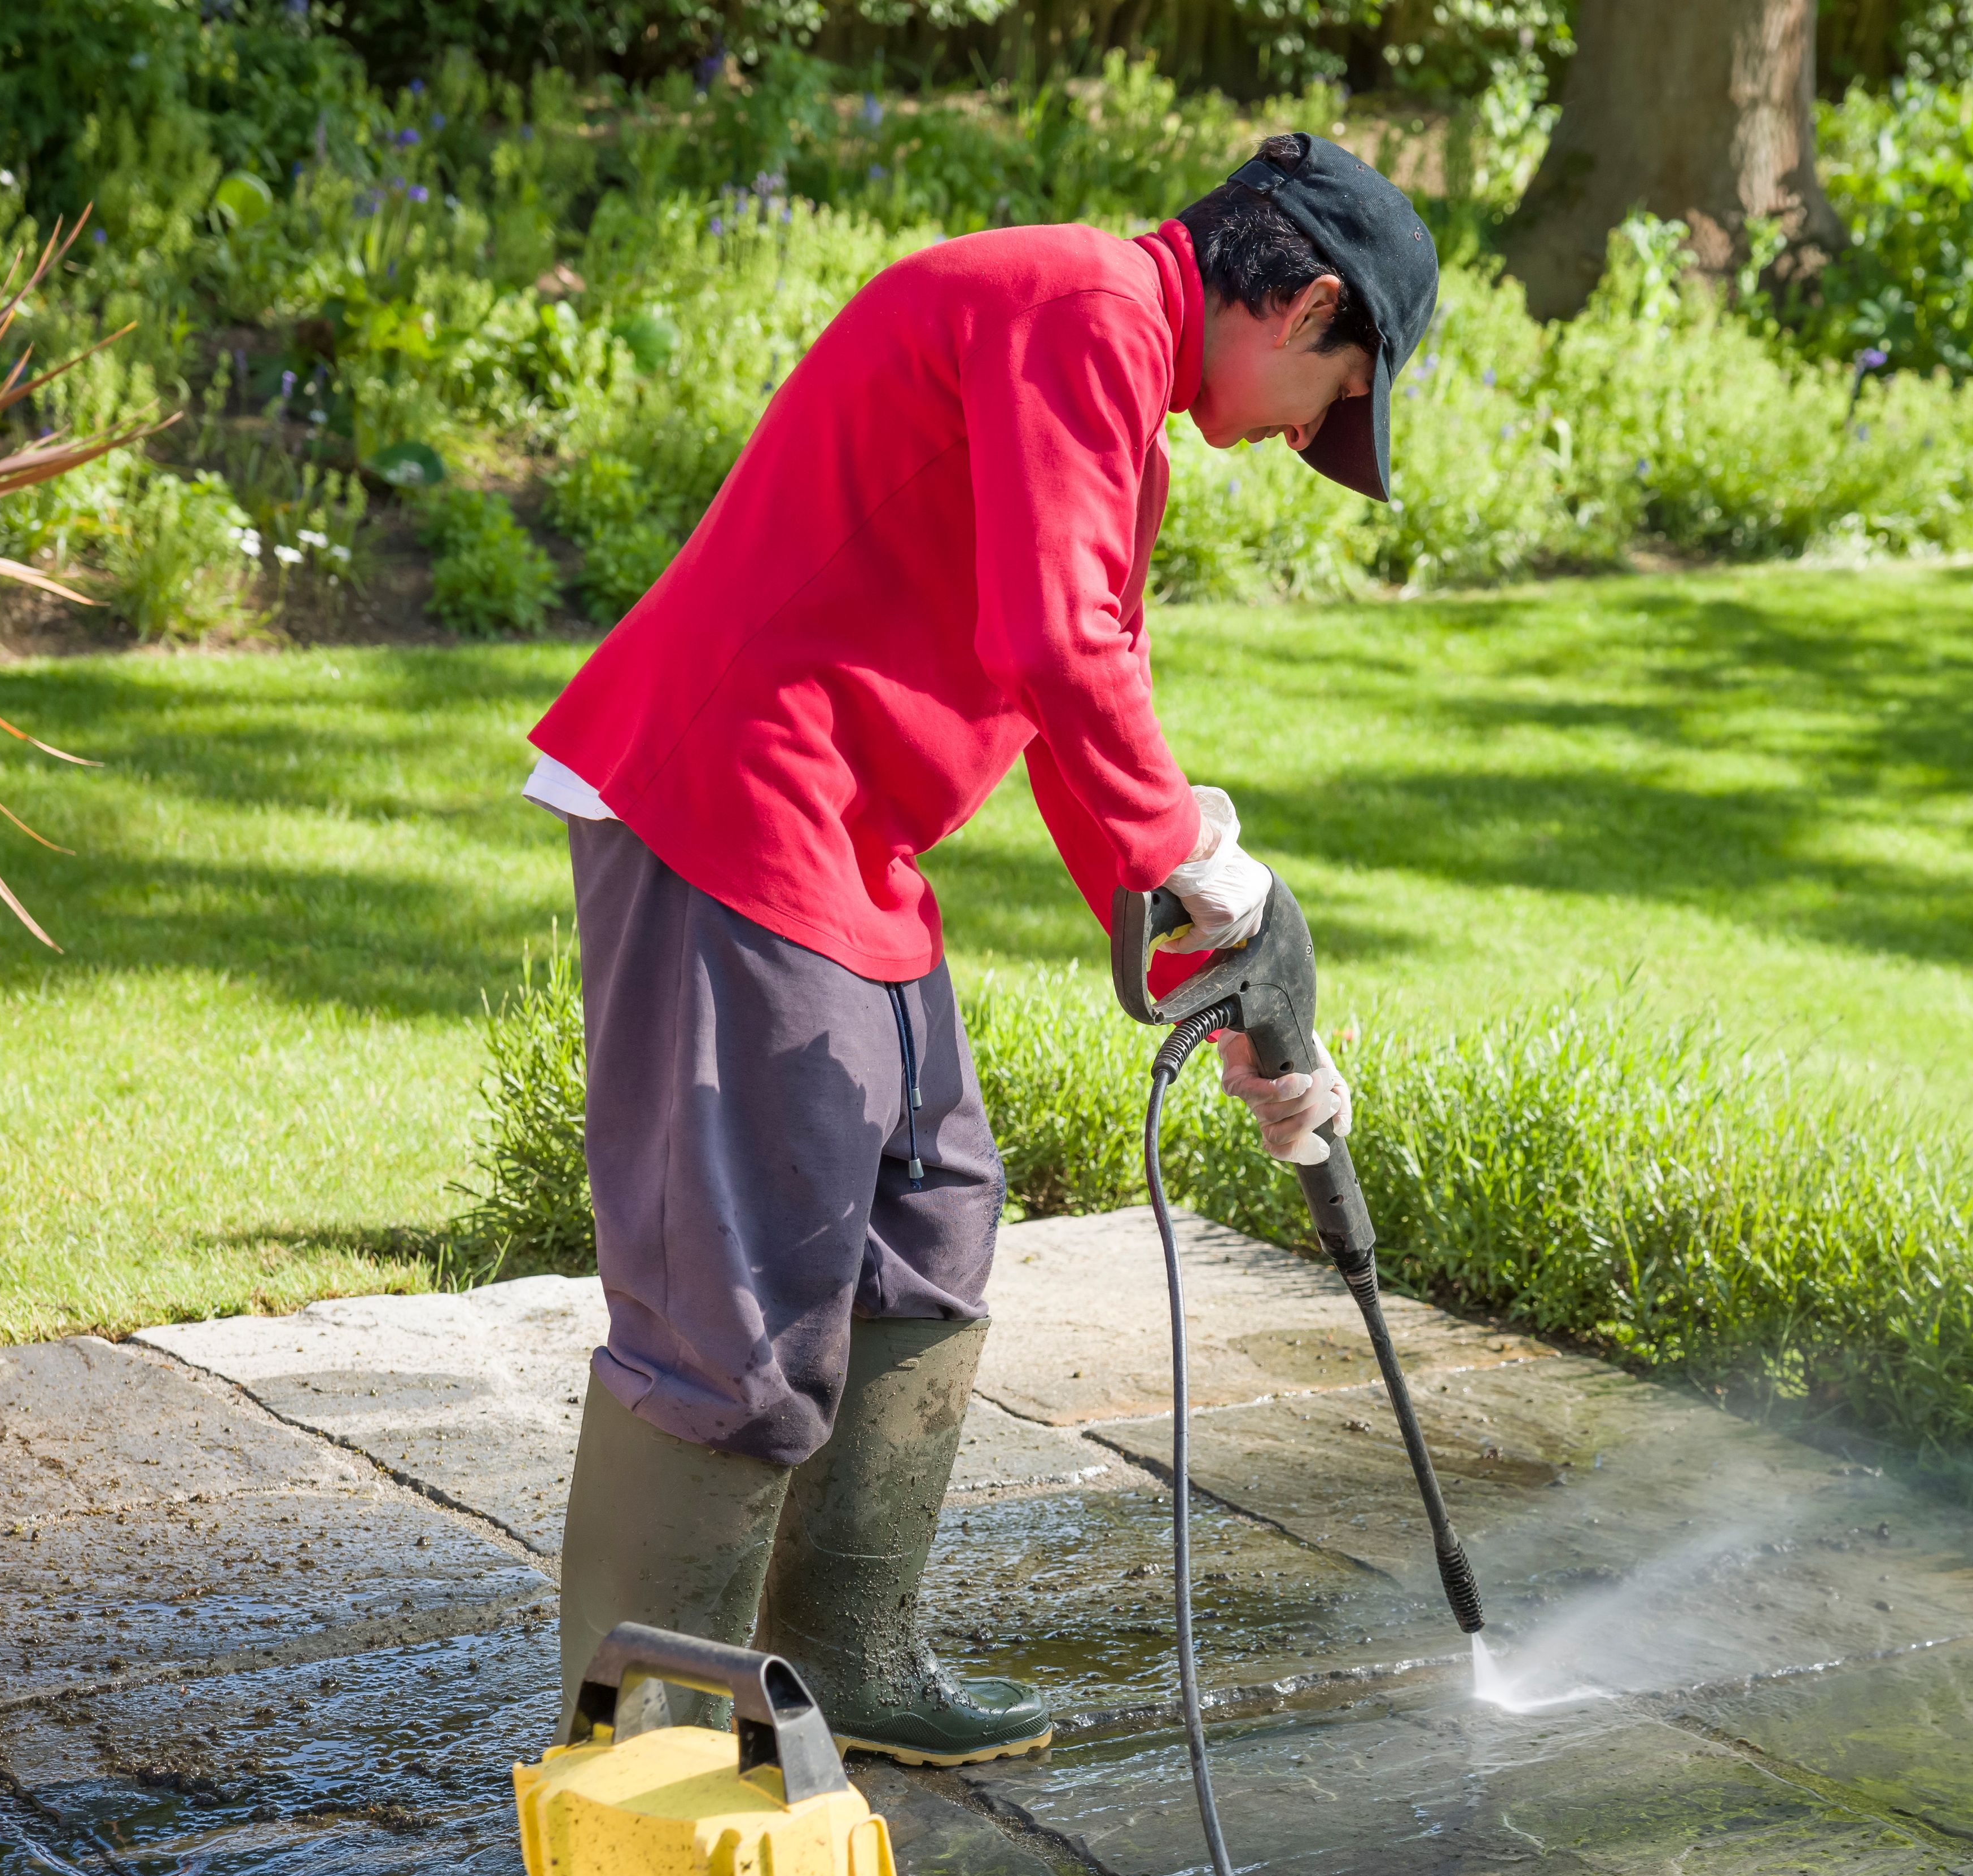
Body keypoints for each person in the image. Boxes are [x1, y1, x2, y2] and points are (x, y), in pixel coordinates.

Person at [519, 133, 1440, 1764]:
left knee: (927, 1208)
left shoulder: (1113, 387)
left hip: (842, 838)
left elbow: (1071, 697)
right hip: (726, 798)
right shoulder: (1079, 308)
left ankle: (842, 1666)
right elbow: (1061, 648)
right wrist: (1197, 860)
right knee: (734, 1290)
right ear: (1298, 303)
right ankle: (643, 1759)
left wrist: (1219, 996)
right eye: (1335, 390)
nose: (1310, 434)